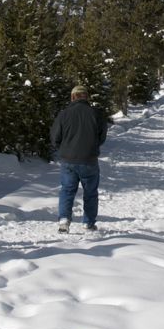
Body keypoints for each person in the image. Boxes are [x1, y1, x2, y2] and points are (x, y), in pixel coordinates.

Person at [51, 85, 108, 233]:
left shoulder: (63, 114)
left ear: (72, 97)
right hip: (89, 159)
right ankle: (88, 223)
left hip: (68, 160)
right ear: (86, 97)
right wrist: (92, 146)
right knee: (90, 192)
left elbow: (55, 137)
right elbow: (102, 136)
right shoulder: (96, 113)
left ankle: (64, 220)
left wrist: (64, 150)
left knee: (67, 190)